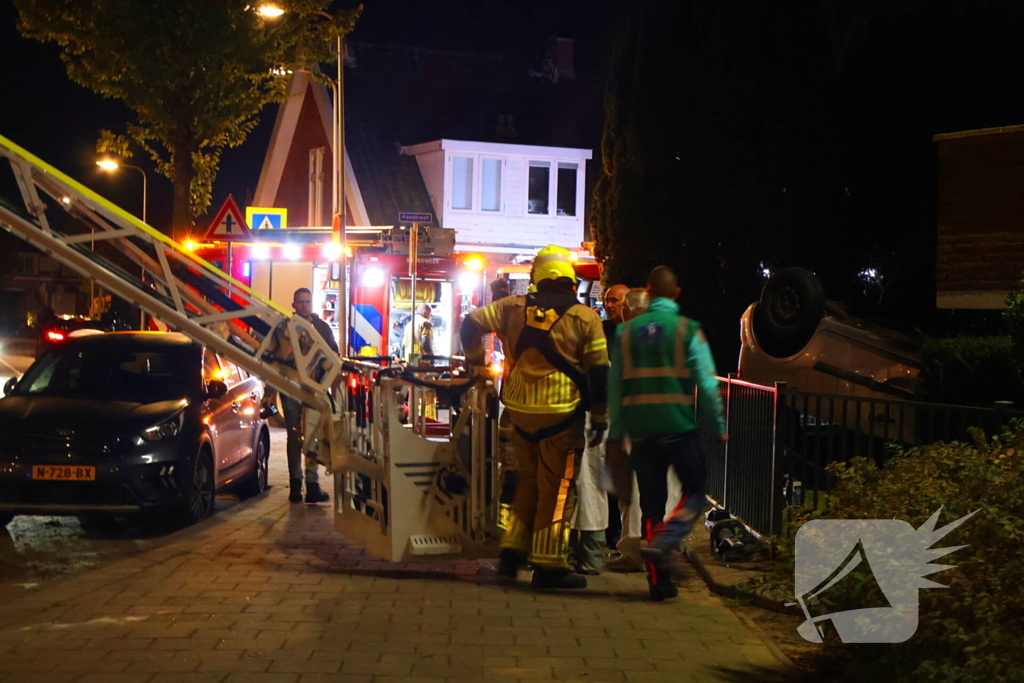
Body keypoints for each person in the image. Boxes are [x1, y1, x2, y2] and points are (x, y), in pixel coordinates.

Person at [461, 245, 609, 589]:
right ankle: (549, 564)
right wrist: (600, 416)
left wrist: (476, 365)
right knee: (557, 490)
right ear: (570, 280)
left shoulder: (511, 307)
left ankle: (512, 551)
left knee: (527, 481)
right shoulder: (585, 318)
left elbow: (470, 324)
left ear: (536, 278)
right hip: (562, 415)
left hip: (519, 414)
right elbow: (599, 371)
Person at [607, 266, 727, 601]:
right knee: (694, 492)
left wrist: (617, 433)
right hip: (677, 428)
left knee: (651, 507)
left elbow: (615, 389)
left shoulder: (626, 333)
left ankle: (658, 582)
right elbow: (706, 381)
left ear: (647, 291)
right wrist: (718, 425)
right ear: (676, 294)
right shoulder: (688, 329)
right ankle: (663, 542)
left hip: (641, 432)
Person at [282, 287, 337, 505]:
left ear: (311, 304)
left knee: (312, 434)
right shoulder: (284, 328)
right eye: (300, 302)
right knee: (293, 436)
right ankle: (295, 485)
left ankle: (312, 485)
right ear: (293, 305)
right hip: (290, 387)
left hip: (314, 387)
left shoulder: (322, 328)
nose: (304, 305)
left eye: (307, 302)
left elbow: (333, 353)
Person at [599, 284, 630, 550]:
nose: (610, 305)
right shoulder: (601, 330)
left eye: (615, 301)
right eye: (607, 300)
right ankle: (613, 530)